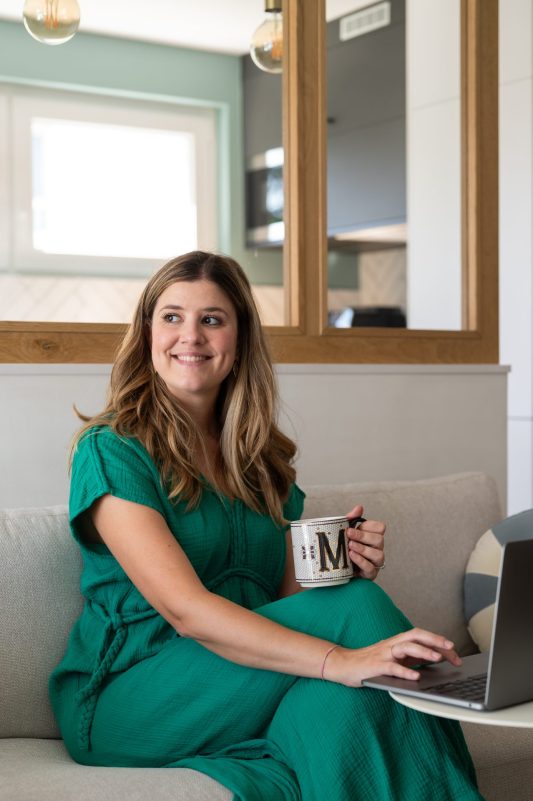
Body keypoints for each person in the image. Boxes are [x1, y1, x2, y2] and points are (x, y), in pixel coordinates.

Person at [49, 251, 484, 801]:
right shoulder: (112, 450)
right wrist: (341, 657)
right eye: (172, 317)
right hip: (130, 695)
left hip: (240, 681)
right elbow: (186, 611)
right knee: (356, 612)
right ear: (148, 333)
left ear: (240, 339)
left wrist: (341, 565)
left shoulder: (260, 460)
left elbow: (282, 601)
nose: (191, 335)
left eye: (212, 319)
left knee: (344, 701)